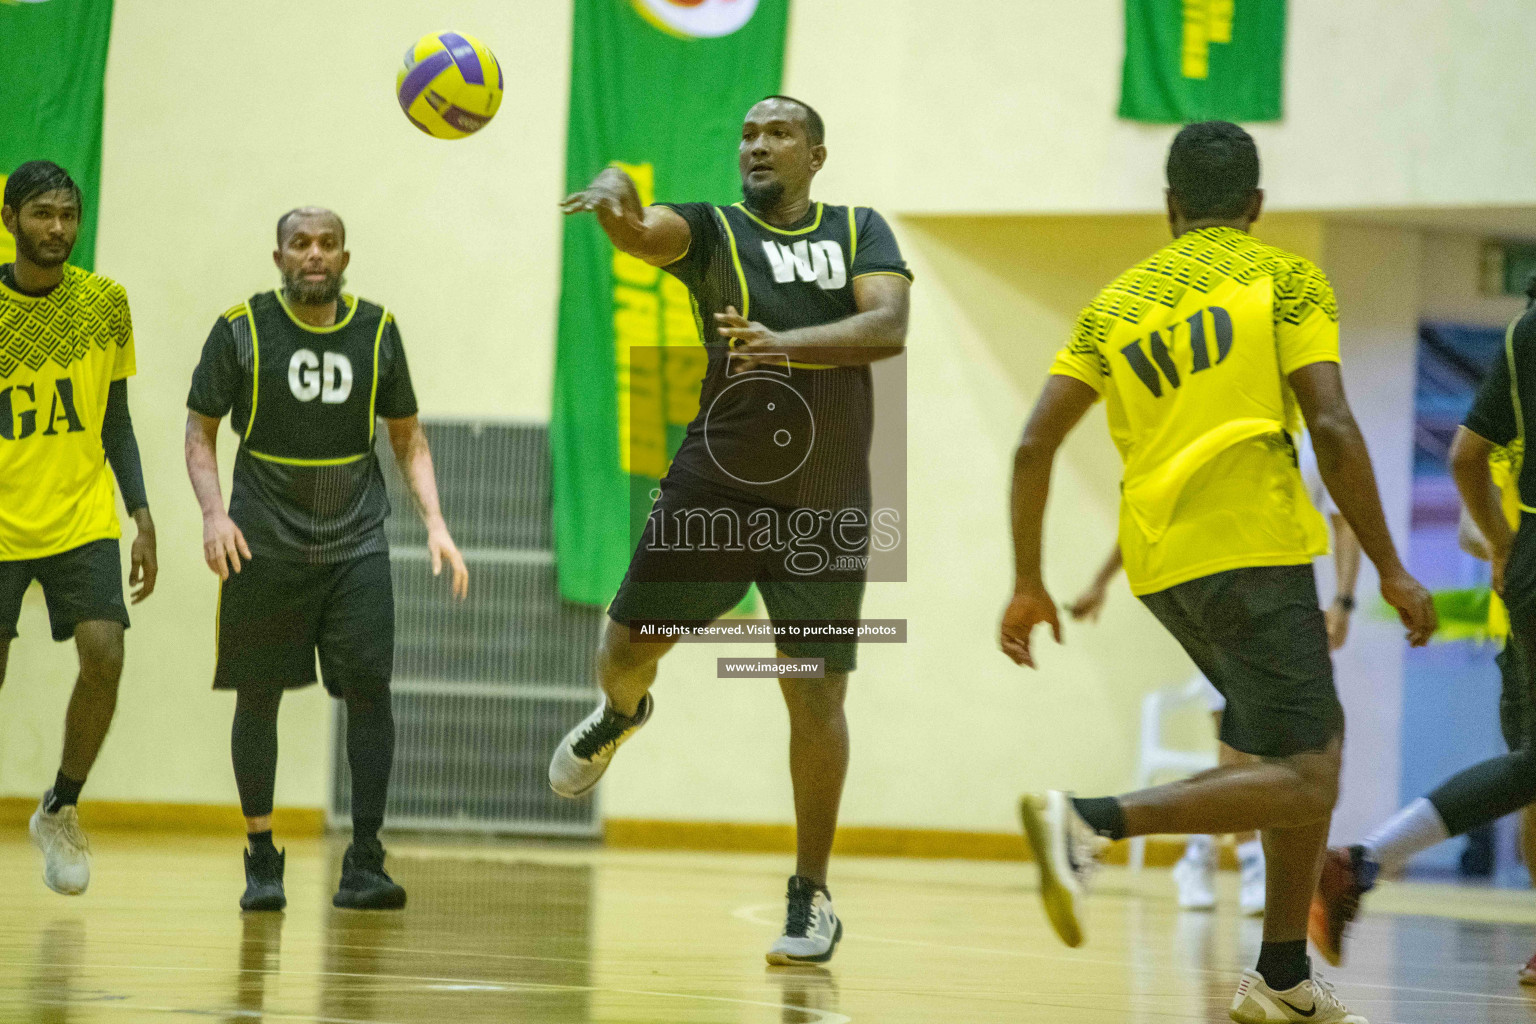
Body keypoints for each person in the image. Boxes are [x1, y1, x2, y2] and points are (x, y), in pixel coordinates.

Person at [999, 121, 1436, 1024]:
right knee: (1312, 773)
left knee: (1307, 748)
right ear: (1258, 206)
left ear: (1168, 208)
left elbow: (1034, 445)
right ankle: (1090, 821)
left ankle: (1281, 976)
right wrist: (1391, 566)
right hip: (1254, 544)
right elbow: (1334, 425)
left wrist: (1028, 580)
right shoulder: (1285, 279)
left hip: (1164, 562)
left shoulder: (1112, 304)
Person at [548, 96, 912, 965]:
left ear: (815, 155)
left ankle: (811, 894)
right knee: (628, 643)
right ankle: (619, 713)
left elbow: (887, 327)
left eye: (777, 133)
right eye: (747, 133)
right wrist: (615, 197)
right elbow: (644, 232)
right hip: (722, 479)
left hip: (827, 500)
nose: (757, 144)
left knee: (816, 694)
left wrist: (784, 345)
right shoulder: (711, 229)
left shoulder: (861, 228)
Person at [185, 207, 468, 913]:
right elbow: (199, 430)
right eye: (300, 244)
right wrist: (213, 514)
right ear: (278, 256)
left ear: (345, 257)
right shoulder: (241, 329)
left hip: (355, 540)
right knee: (259, 694)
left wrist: (436, 522)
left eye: (327, 244)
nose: (314, 255)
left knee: (370, 687)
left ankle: (365, 860)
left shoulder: (377, 330)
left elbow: (408, 439)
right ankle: (260, 857)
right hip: (263, 539)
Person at [1311, 295, 1536, 980]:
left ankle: (1361, 863)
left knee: (1530, 766)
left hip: (1527, 569)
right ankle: (1360, 863)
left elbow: (1467, 457)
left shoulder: (1525, 330)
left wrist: (1504, 548)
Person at [1069, 430, 1361, 916]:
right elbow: (1151, 509)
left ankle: (1200, 852)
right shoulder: (1224, 423)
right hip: (1222, 597)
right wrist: (1100, 582)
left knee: (1294, 752)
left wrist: (1344, 601)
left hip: (1285, 606)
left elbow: (1344, 521)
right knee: (1240, 738)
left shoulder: (1312, 435)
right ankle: (1243, 859)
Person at [0, 160, 157, 896]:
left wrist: (142, 514)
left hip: (80, 515)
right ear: (10, 222)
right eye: (41, 213)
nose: (57, 227)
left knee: (105, 653)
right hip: (2, 520)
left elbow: (115, 420)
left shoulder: (105, 303)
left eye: (67, 213)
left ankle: (60, 808)